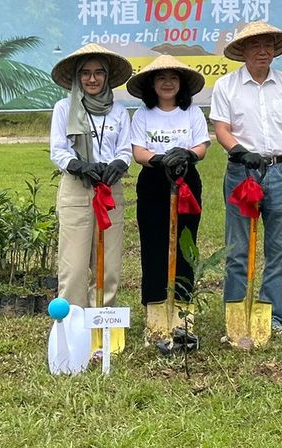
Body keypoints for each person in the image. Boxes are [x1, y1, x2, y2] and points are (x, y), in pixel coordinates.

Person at [209, 21, 282, 334]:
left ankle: (273, 318)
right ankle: (236, 320)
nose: (263, 51)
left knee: (280, 249)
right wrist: (240, 152)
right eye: (255, 45)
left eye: (268, 45)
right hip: (243, 172)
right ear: (243, 51)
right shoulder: (227, 86)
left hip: (281, 171)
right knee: (237, 249)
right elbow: (221, 130)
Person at [48, 44, 135, 310]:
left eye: (99, 72)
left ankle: (103, 325)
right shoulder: (64, 108)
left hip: (110, 190)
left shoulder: (118, 111)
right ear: (77, 77)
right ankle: (72, 324)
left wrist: (119, 164)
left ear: (107, 77)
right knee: (73, 267)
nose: (92, 79)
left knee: (107, 265)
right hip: (76, 189)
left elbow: (124, 149)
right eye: (85, 73)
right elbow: (58, 150)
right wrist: (79, 166)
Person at [126, 54, 210, 322]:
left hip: (186, 182)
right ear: (151, 84)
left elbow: (202, 147)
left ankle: (184, 314)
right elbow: (138, 152)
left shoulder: (192, 112)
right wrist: (159, 159)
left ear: (181, 84)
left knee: (186, 244)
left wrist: (187, 156)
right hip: (153, 183)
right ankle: (156, 314)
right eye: (161, 78)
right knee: (153, 246)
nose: (167, 83)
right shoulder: (142, 115)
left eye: (173, 78)